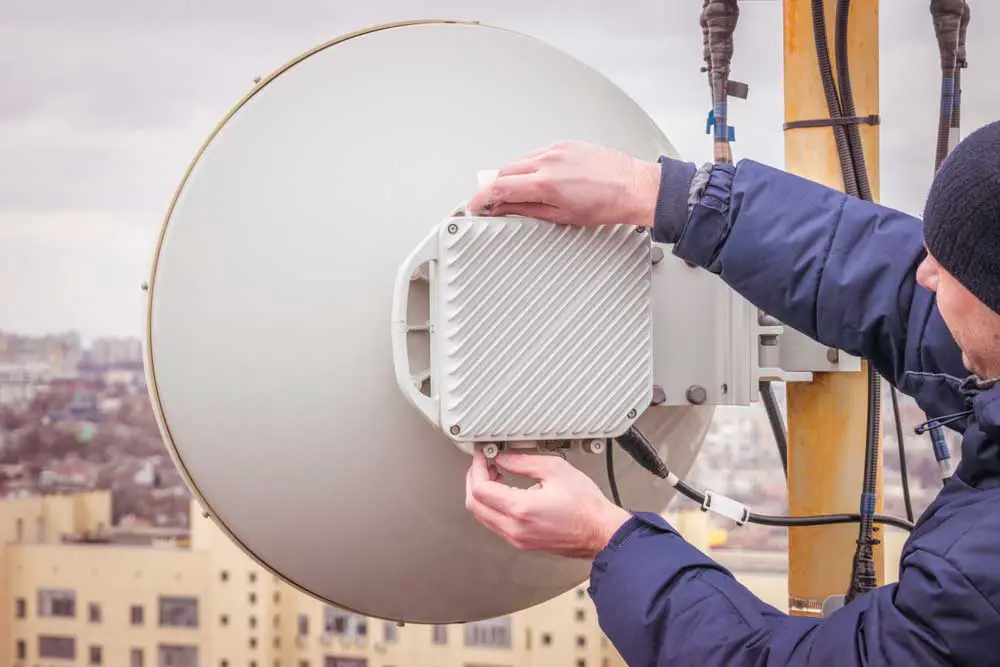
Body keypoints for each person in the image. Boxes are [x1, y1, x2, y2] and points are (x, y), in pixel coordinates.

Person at [462, 120, 1000, 666]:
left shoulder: (982, 577)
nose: (926, 274)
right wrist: (659, 193)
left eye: (947, 266)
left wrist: (607, 540)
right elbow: (889, 288)